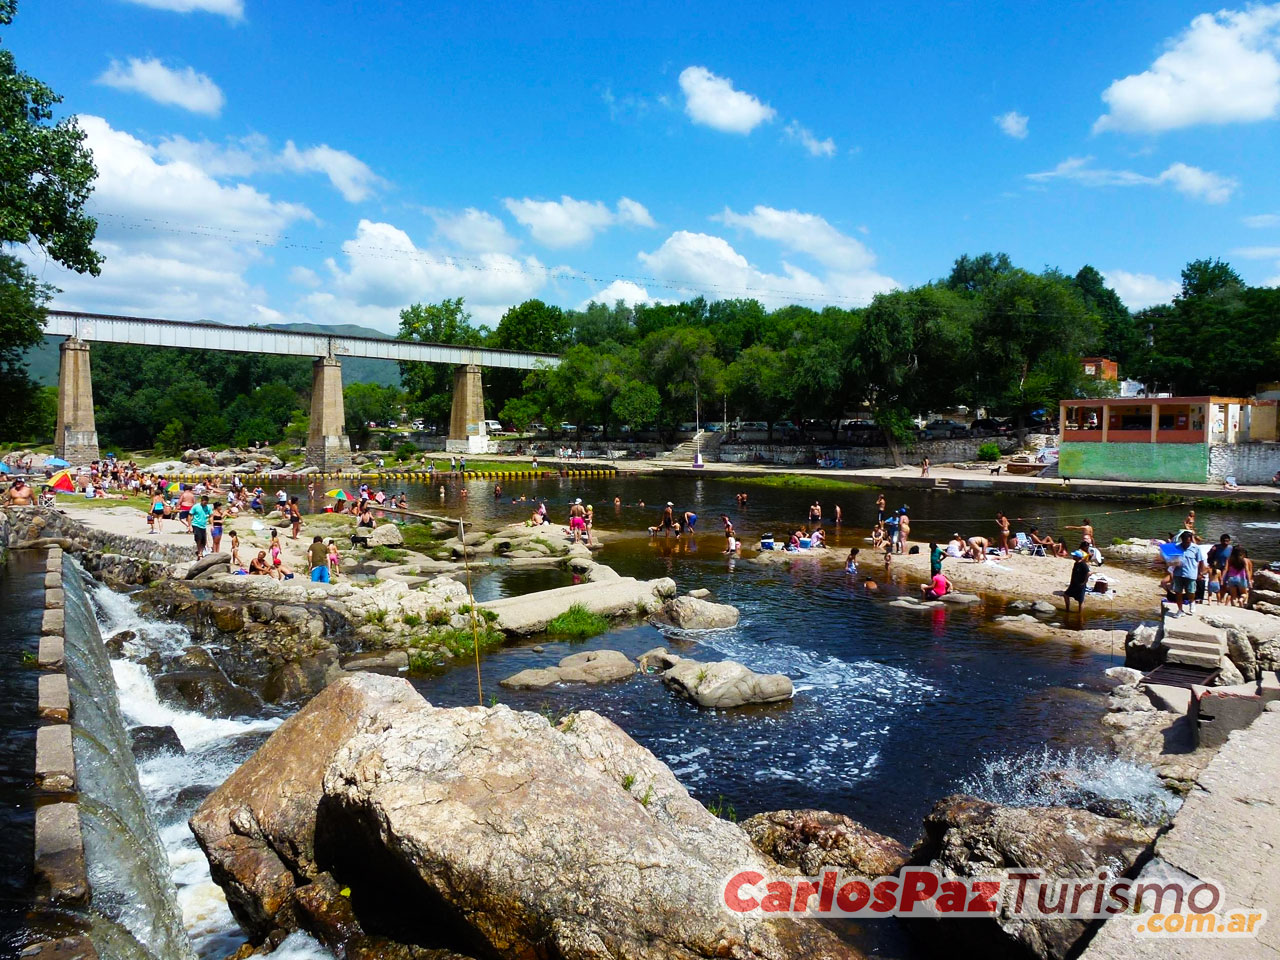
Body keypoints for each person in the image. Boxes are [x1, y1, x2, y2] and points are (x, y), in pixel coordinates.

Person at [1170, 530, 1207, 616]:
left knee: (1191, 591)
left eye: (1189, 541)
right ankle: (1180, 610)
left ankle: (1192, 602)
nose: (1187, 543)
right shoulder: (1176, 547)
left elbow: (1201, 561)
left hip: (1190, 573)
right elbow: (1170, 559)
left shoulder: (1196, 548)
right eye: (1185, 541)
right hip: (1178, 573)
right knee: (1178, 592)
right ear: (1182, 540)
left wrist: (1200, 573)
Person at [190, 495, 212, 559]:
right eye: (204, 502)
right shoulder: (196, 507)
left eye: (206, 503)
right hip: (196, 524)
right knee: (198, 538)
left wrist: (212, 524)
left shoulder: (208, 507)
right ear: (201, 501)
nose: (205, 504)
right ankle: (200, 552)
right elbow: (190, 515)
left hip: (203, 525)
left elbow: (211, 515)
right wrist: (189, 526)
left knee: (204, 540)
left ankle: (201, 552)